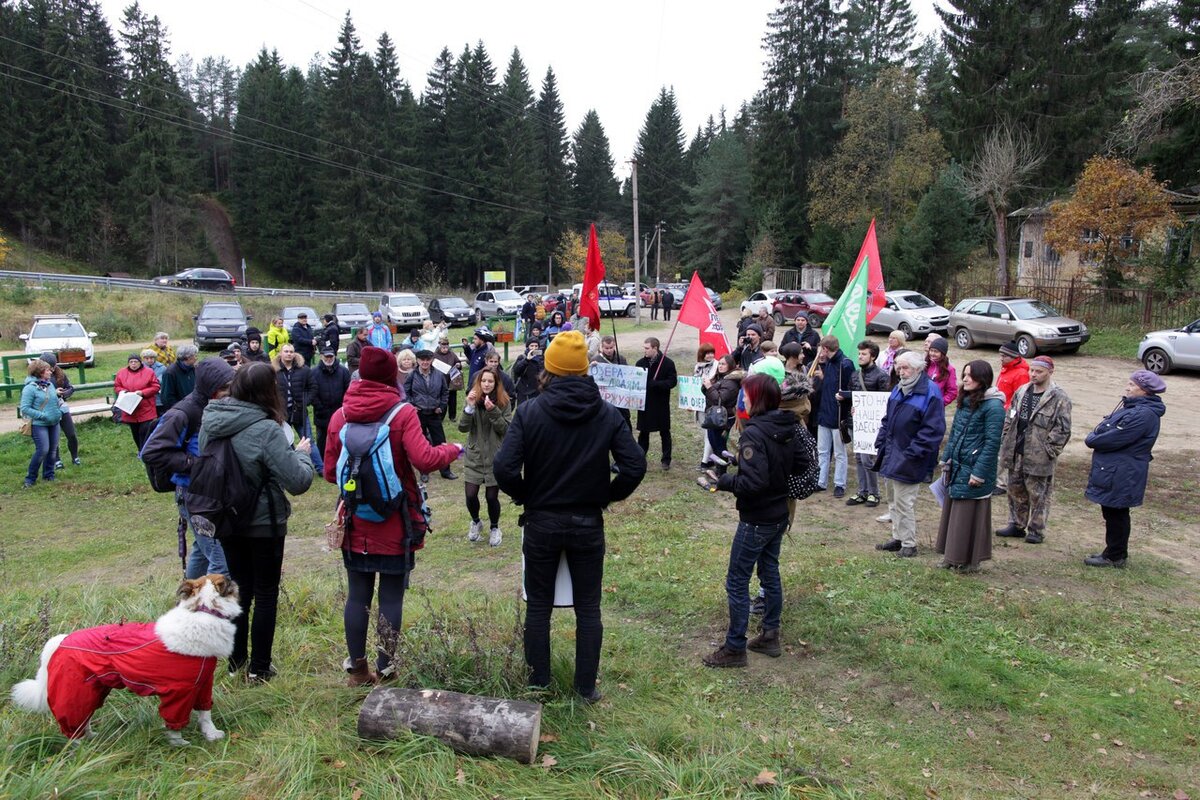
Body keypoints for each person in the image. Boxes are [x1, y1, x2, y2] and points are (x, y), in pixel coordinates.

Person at [493, 330, 647, 702]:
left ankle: (539, 684)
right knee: (588, 608)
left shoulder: (530, 412)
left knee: (539, 607)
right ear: (585, 370)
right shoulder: (605, 412)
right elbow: (634, 466)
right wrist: (605, 496)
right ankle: (585, 689)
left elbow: (504, 468)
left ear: (548, 369)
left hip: (542, 521)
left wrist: (528, 495)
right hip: (586, 522)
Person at [324, 346, 462, 685]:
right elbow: (426, 459)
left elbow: (330, 472)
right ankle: (386, 669)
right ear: (391, 376)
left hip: (355, 518)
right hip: (396, 519)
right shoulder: (402, 414)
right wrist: (453, 449)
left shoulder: (341, 415)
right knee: (390, 596)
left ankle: (357, 671)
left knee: (357, 595)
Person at [200, 362, 314, 682]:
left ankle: (236, 663)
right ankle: (260, 669)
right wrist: (302, 453)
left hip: (226, 517)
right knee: (264, 593)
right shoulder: (266, 428)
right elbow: (298, 481)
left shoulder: (211, 419)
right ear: (268, 390)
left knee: (239, 588)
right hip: (263, 521)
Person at [701, 373, 794, 668]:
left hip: (758, 517)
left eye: (746, 395)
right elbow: (777, 465)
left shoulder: (754, 432)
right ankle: (770, 635)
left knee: (737, 581)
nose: (742, 399)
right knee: (769, 572)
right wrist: (740, 463)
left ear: (758, 398)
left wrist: (724, 481)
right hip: (779, 512)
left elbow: (754, 482)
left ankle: (734, 648)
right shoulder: (786, 423)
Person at [141, 358, 236, 579]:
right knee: (221, 561)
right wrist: (194, 464)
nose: (227, 393)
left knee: (202, 553)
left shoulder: (212, 405)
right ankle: (208, 611)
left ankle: (186, 604)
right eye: (223, 388)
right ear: (208, 387)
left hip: (212, 492)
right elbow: (150, 452)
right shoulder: (182, 413)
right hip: (192, 494)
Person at [1082, 370, 1166, 568]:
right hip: (1116, 469)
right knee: (1111, 510)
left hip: (1124, 472)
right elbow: (1106, 427)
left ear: (1144, 391)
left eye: (1131, 385)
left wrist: (1092, 439)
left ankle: (1115, 556)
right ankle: (1113, 551)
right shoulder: (1133, 408)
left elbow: (1113, 437)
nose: (1127, 387)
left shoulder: (1143, 414)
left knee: (1116, 512)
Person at [873, 351, 946, 557]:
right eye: (898, 367)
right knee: (893, 499)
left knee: (905, 501)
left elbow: (933, 430)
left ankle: (909, 543)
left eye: (905, 368)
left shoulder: (929, 393)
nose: (901, 372)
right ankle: (898, 537)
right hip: (891, 453)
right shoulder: (898, 388)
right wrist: (881, 442)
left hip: (910, 457)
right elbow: (888, 419)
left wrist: (913, 452)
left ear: (918, 369)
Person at [935, 361, 1005, 572]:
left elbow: (992, 443)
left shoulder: (993, 407)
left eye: (970, 376)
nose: (964, 379)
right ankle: (951, 556)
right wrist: (946, 458)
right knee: (953, 511)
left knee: (967, 515)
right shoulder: (966, 400)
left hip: (974, 468)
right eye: (964, 375)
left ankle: (967, 561)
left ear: (982, 379)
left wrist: (979, 473)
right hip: (958, 465)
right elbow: (955, 431)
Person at [996, 356, 1072, 544]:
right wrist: (1006, 436)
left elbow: (1063, 429)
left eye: (1039, 371)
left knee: (1039, 494)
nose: (1034, 374)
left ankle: (1036, 530)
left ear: (1050, 372)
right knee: (1015, 490)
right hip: (1016, 450)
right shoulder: (1023, 391)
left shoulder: (1058, 398)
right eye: (1032, 370)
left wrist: (1049, 450)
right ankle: (1016, 524)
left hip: (1039, 455)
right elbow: (1010, 415)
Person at [458, 366, 512, 546]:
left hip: (494, 456)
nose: (487, 384)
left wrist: (493, 411)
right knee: (470, 494)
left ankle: (495, 528)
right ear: (478, 382)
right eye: (484, 381)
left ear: (496, 384)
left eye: (490, 381)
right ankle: (475, 521)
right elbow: (463, 428)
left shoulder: (504, 402)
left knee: (491, 497)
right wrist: (469, 408)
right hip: (475, 455)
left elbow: (505, 429)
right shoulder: (472, 399)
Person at [845, 341, 889, 508]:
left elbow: (883, 401)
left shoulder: (881, 375)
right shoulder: (855, 375)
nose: (860, 357)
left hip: (873, 425)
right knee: (858, 457)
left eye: (864, 354)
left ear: (873, 356)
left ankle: (874, 493)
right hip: (857, 422)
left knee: (867, 459)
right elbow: (852, 395)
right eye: (859, 354)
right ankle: (862, 491)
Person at [812, 335, 855, 498]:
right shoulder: (829, 363)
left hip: (838, 416)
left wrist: (845, 396)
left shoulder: (845, 364)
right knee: (822, 451)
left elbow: (851, 387)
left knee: (839, 453)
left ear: (825, 349)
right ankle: (821, 482)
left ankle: (839, 484)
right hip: (824, 413)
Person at [405, 349, 456, 481]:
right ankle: (424, 471)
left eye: (428, 359)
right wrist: (412, 405)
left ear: (432, 360)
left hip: (434, 413)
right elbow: (406, 393)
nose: (425, 362)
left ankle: (445, 470)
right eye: (422, 359)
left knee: (440, 442)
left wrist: (441, 406)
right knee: (421, 444)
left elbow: (445, 392)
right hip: (419, 413)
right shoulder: (412, 375)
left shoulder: (439, 375)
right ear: (417, 361)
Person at [273, 344, 320, 473]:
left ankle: (321, 468)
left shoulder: (304, 370)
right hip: (281, 413)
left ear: (294, 354)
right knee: (285, 442)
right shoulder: (273, 371)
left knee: (308, 439)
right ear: (281, 353)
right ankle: (291, 467)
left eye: (291, 352)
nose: (289, 354)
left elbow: (313, 387)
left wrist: (306, 402)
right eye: (286, 351)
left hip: (300, 411)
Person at [20, 359, 63, 488]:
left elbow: (53, 400)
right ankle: (30, 478)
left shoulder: (49, 385)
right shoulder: (29, 388)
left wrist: (58, 410)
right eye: (48, 370)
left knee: (52, 450)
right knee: (43, 450)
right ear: (40, 372)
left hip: (54, 422)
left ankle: (49, 475)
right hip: (39, 424)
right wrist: (43, 416)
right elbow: (25, 408)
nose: (50, 372)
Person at [635, 337, 677, 470]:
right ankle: (641, 457)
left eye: (647, 348)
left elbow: (672, 382)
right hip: (645, 404)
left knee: (665, 432)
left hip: (661, 404)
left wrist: (656, 384)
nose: (645, 350)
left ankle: (666, 460)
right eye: (644, 348)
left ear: (655, 348)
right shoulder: (640, 363)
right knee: (644, 432)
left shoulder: (668, 363)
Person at [40, 352, 81, 469]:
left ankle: (75, 457)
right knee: (54, 437)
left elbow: (70, 387)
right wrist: (54, 393)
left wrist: (66, 393)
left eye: (53, 366)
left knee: (71, 434)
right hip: (49, 410)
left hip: (62, 407)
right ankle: (56, 460)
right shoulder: (38, 377)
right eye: (49, 366)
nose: (52, 369)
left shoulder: (60, 373)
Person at [312, 347, 351, 469]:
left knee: (341, 436)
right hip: (321, 412)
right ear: (321, 356)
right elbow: (312, 392)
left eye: (331, 356)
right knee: (322, 437)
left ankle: (341, 458)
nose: (329, 359)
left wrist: (344, 408)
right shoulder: (314, 372)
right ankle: (323, 462)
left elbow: (348, 390)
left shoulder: (343, 371)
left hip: (340, 412)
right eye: (326, 356)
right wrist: (319, 407)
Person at [113, 353, 160, 451]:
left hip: (146, 407)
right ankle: (140, 450)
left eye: (136, 362)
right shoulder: (121, 373)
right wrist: (122, 391)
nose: (133, 364)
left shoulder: (149, 372)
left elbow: (156, 387)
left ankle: (146, 450)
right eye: (131, 362)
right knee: (135, 431)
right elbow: (117, 386)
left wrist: (142, 392)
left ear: (140, 362)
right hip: (130, 408)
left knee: (145, 431)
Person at [702, 354, 742, 468]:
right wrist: (706, 386)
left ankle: (721, 471)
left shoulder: (731, 382)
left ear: (730, 366)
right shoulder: (721, 378)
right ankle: (719, 469)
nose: (720, 366)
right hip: (714, 416)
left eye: (723, 364)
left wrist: (710, 387)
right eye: (719, 363)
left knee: (719, 445)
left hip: (723, 418)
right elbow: (710, 396)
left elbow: (719, 399)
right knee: (714, 443)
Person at [432, 335, 463, 420]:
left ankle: (452, 416)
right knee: (442, 400)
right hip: (440, 380)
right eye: (443, 347)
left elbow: (458, 362)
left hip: (452, 380)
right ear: (439, 346)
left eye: (446, 347)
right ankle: (441, 416)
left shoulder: (452, 354)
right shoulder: (435, 355)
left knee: (453, 400)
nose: (445, 349)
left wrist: (458, 365)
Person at [160, 344, 198, 412]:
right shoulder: (170, 372)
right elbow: (167, 398)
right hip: (180, 412)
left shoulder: (193, 369)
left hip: (193, 408)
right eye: (195, 355)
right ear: (188, 357)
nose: (196, 358)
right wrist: (180, 409)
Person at [996, 341, 1030, 410]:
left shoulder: (1021, 374)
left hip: (1006, 413)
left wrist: (1008, 412)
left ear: (1013, 357)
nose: (1001, 359)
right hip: (998, 408)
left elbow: (1020, 398)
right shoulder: (1005, 368)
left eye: (1004, 356)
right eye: (1001, 355)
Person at [511, 338, 544, 406]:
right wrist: (527, 360)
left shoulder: (541, 358)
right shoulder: (522, 357)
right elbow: (517, 370)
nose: (534, 348)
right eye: (531, 346)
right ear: (527, 347)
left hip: (537, 390)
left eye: (536, 346)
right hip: (524, 391)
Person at [926, 337, 958, 407]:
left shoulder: (949, 369)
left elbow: (952, 392)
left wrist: (940, 403)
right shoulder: (925, 364)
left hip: (936, 406)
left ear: (942, 353)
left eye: (936, 351)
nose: (932, 353)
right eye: (931, 350)